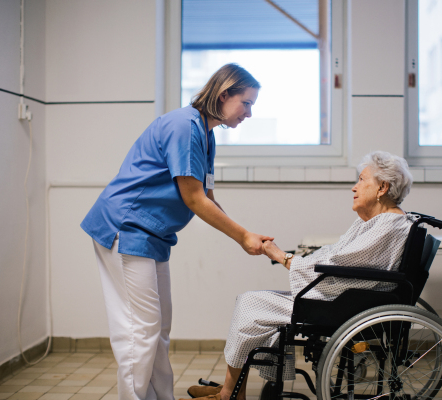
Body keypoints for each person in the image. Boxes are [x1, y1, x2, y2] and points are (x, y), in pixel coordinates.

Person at [80, 63, 273, 400]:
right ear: (224, 93)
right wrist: (244, 237)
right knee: (140, 331)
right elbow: (194, 199)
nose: (249, 113)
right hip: (126, 229)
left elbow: (208, 197)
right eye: (247, 103)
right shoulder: (184, 127)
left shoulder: (205, 133)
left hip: (152, 237)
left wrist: (247, 236)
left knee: (158, 329)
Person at [185, 150, 415, 400]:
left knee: (250, 304)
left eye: (361, 180)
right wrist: (296, 259)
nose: (354, 187)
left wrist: (282, 257)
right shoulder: (379, 222)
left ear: (382, 187)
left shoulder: (386, 225)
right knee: (255, 306)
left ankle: (229, 393)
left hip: (342, 305)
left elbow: (337, 263)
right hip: (345, 297)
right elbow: (337, 257)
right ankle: (233, 388)